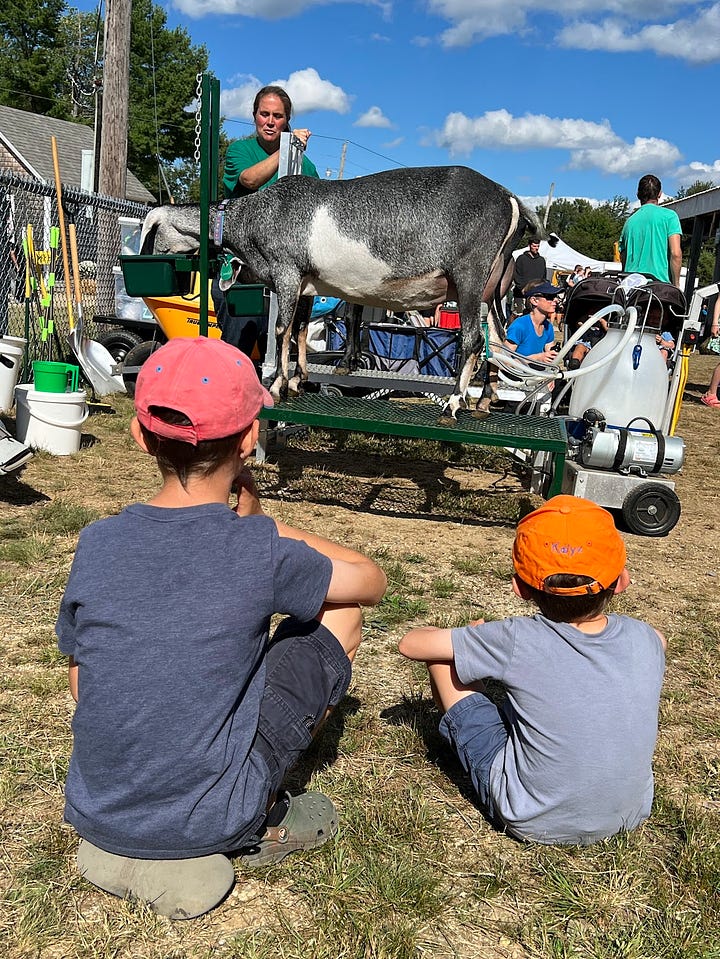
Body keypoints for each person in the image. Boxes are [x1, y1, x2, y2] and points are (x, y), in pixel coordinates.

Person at [56, 337, 387, 919]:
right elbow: (369, 581)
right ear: (250, 437)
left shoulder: (97, 542)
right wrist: (268, 529)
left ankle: (136, 840)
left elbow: (83, 685)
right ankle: (254, 819)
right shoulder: (260, 549)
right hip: (215, 812)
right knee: (339, 613)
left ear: (139, 435)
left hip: (99, 804)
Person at [398, 495, 666, 845]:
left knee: (443, 658)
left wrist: (472, 638)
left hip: (531, 816)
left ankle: (455, 744)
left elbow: (411, 644)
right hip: (628, 814)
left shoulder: (515, 638)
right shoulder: (649, 638)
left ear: (520, 588)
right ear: (621, 580)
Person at [213, 85, 319, 358]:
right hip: (243, 275)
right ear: (254, 116)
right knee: (238, 351)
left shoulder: (306, 168)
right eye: (264, 114)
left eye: (278, 116)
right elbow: (249, 180)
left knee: (279, 353)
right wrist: (286, 149)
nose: (270, 122)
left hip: (286, 278)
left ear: (287, 120)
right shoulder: (240, 151)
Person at [619, 174, 682, 287]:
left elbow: (623, 257)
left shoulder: (629, 222)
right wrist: (676, 285)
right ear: (659, 194)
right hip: (658, 287)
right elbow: (676, 253)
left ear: (638, 194)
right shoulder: (670, 217)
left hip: (631, 288)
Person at [503, 280, 561, 364]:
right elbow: (504, 362)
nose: (556, 300)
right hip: (517, 375)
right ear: (534, 301)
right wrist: (537, 358)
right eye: (549, 297)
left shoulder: (548, 326)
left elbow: (550, 352)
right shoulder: (519, 326)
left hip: (536, 374)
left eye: (555, 296)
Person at [510, 238, 547, 319]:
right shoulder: (521, 259)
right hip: (521, 294)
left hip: (536, 294)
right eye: (534, 246)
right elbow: (517, 275)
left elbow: (543, 278)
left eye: (538, 246)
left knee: (534, 316)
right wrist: (523, 289)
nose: (536, 248)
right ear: (529, 246)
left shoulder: (541, 260)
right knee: (518, 316)